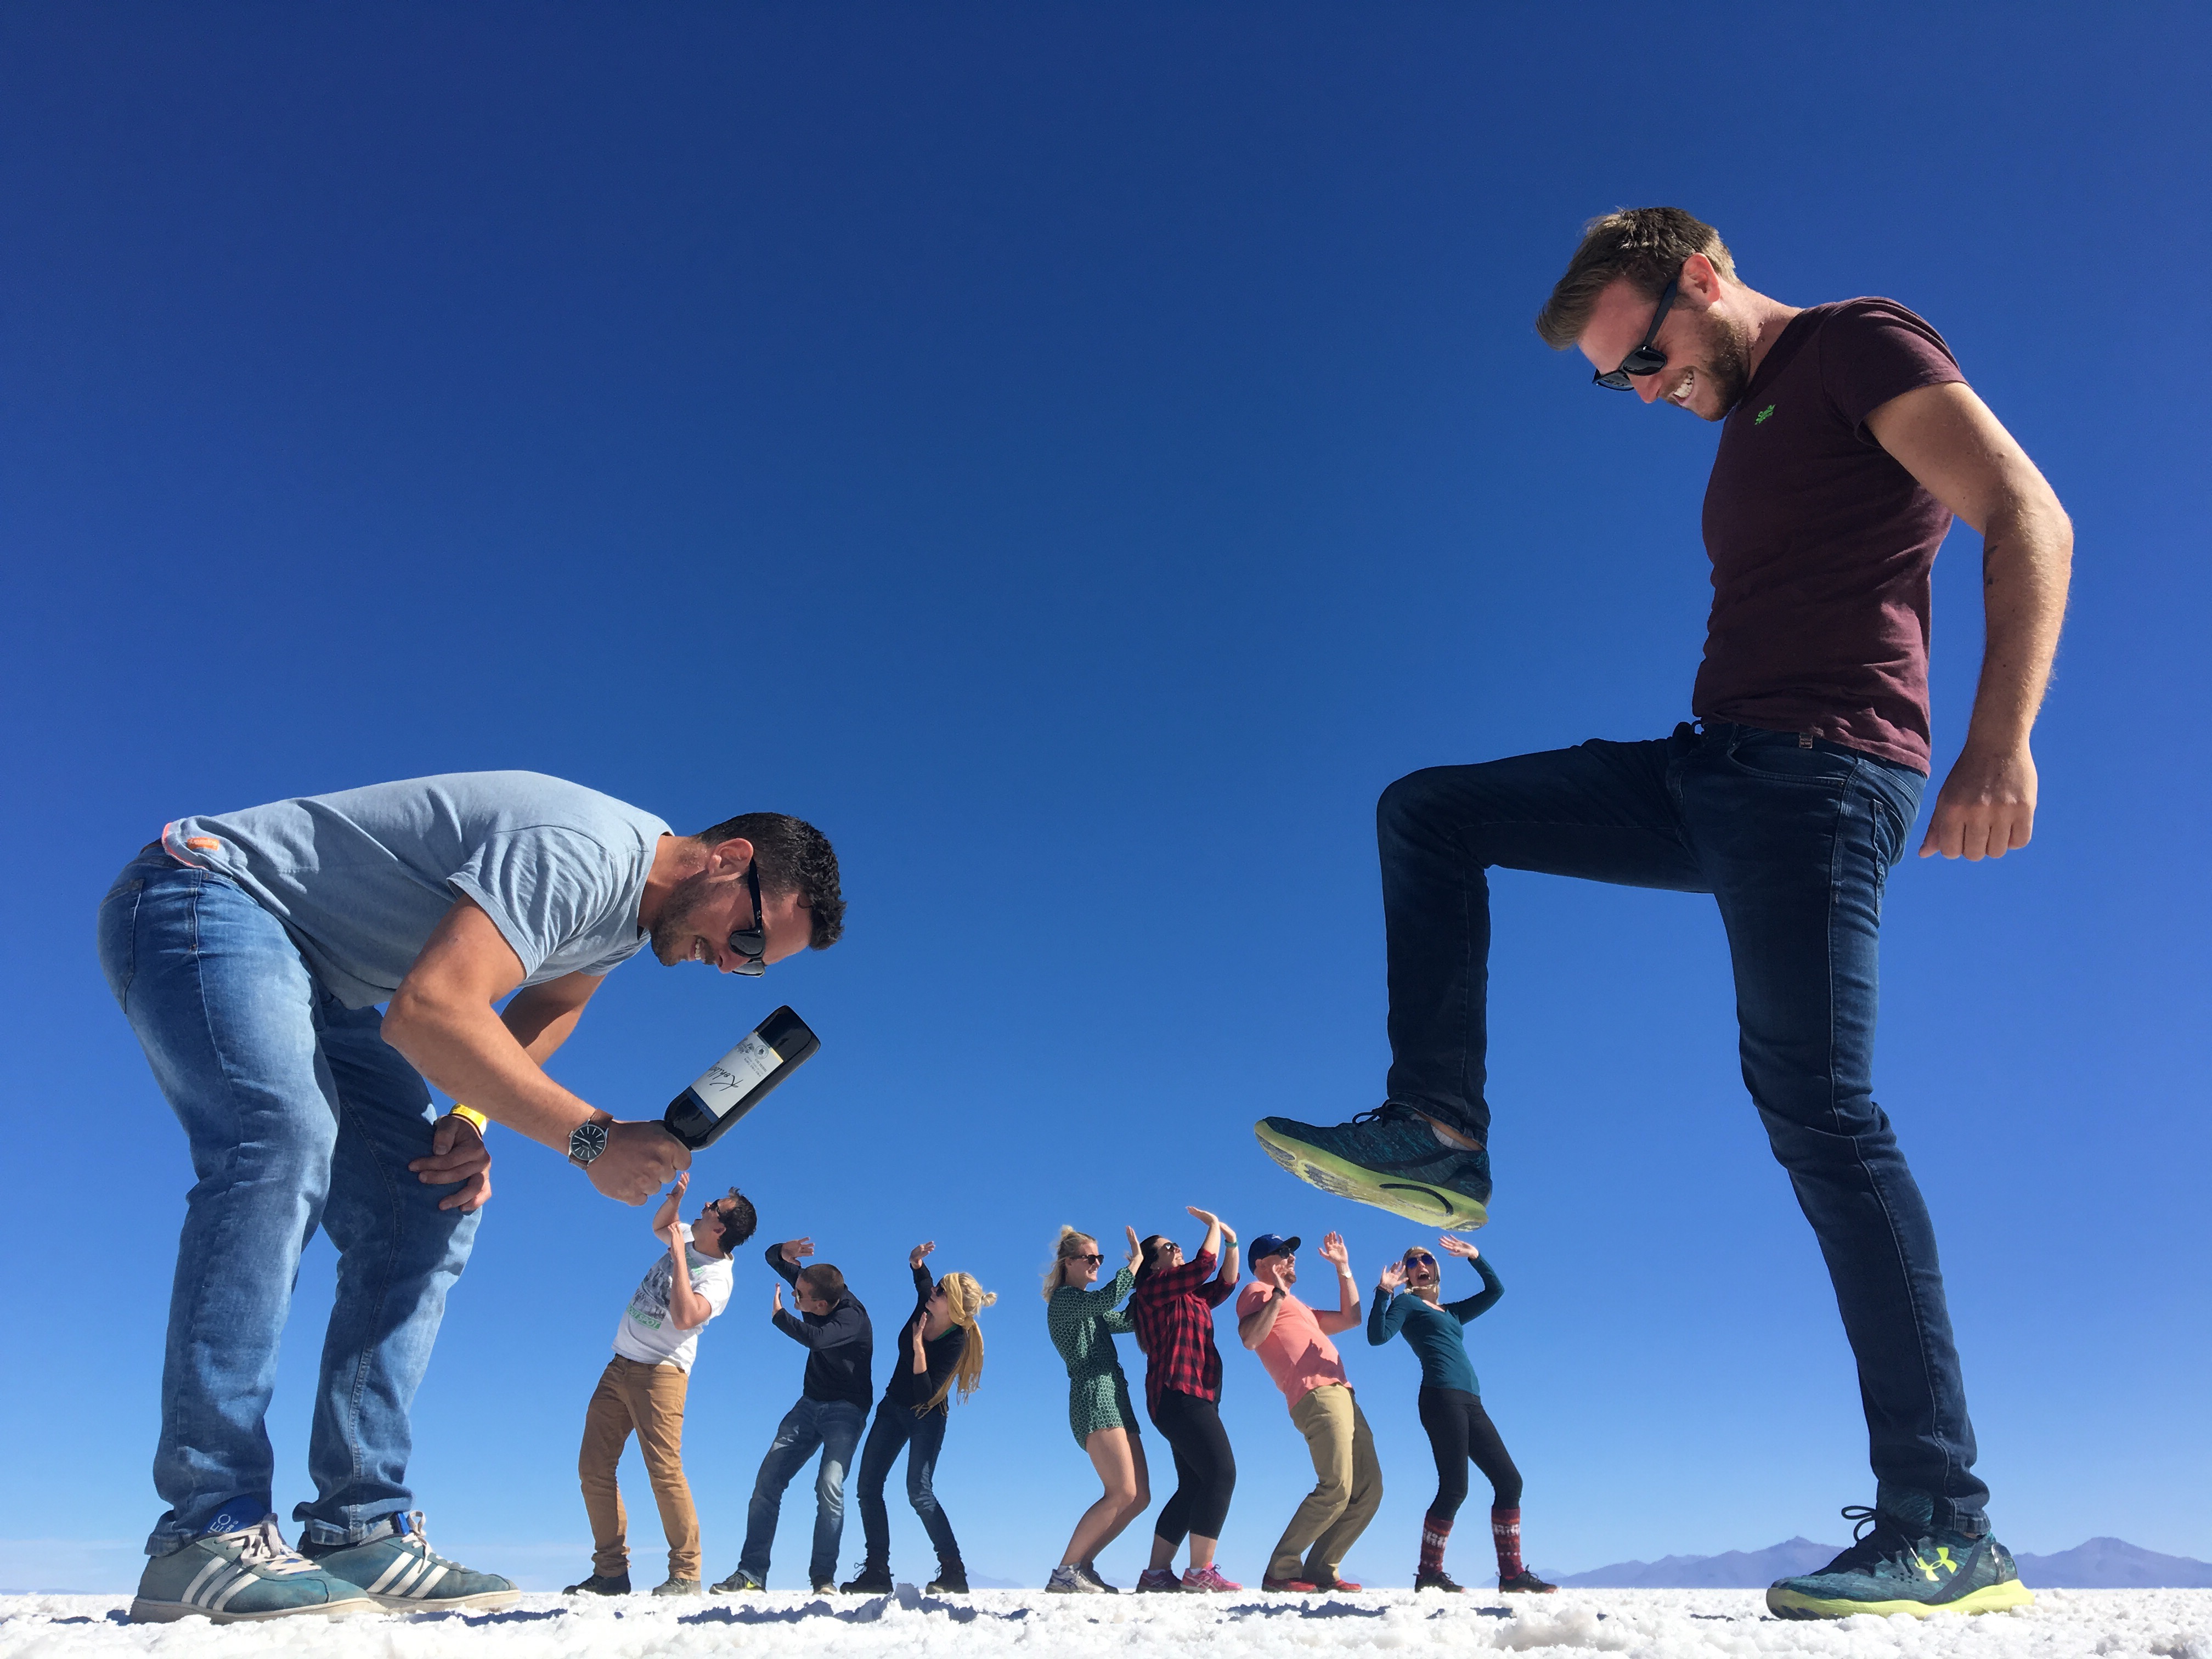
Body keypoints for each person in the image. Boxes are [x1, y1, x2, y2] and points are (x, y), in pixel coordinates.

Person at [1257, 207, 2068, 1621]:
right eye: (1615, 382)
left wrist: (2000, 742)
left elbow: (2026, 511)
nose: (1643, 393)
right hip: (1715, 771)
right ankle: (1440, 1133)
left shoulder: (1854, 345)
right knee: (1429, 811)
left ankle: (1947, 1520)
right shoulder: (1746, 422)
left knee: (1823, 1116)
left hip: (1823, 778)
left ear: (1702, 275)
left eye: (1646, 358)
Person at [95, 771, 843, 1624]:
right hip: (209, 896)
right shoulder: (586, 852)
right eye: (749, 939)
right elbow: (430, 1009)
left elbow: (549, 1004)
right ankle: (207, 1522)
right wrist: (592, 1140)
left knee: (430, 1199)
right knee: (280, 1141)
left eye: (756, 965)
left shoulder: (623, 926)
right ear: (729, 858)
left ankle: (358, 1525)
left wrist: (470, 1115)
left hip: (325, 986)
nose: (736, 965)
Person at [565, 1176, 756, 1598]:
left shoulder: (719, 1278)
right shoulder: (687, 1234)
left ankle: (686, 1574)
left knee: (665, 1473)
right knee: (593, 1468)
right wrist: (675, 1200)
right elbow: (660, 1225)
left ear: (719, 1228)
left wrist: (680, 1256)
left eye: (713, 1207)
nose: (704, 1206)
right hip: (620, 1365)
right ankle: (611, 1573)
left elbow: (686, 1317)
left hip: (662, 1374)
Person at [1368, 1237, 1551, 1595]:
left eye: (1426, 1259)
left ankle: (1512, 1575)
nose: (1420, 1265)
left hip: (1471, 1402)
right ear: (1407, 1275)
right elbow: (1378, 1336)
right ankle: (1429, 1573)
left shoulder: (1451, 1314)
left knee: (1510, 1482)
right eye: (1412, 1263)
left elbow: (1495, 1291)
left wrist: (1475, 1257)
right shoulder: (1406, 1304)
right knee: (1455, 1488)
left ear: (1436, 1269)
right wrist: (1383, 1292)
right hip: (1440, 1398)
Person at [839, 1242, 997, 1596]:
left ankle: (954, 1571)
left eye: (941, 1292)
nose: (934, 1291)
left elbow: (925, 1393)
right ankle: (877, 1571)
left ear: (953, 1308)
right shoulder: (927, 1302)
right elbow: (922, 1281)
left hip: (927, 1415)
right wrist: (916, 1263)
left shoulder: (956, 1341)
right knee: (868, 1487)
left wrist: (918, 1348)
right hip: (892, 1407)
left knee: (919, 1492)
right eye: (937, 1287)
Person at [716, 1239, 873, 1594]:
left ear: (821, 1305)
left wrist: (779, 1317)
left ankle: (823, 1579)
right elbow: (772, 1259)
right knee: (767, 1482)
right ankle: (751, 1574)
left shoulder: (852, 1318)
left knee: (829, 1486)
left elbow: (816, 1339)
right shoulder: (814, 1287)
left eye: (799, 1296)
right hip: (810, 1403)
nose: (794, 1295)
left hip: (846, 1410)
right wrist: (782, 1251)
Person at [1235, 1231, 1381, 1593]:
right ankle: (1281, 1570)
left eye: (1292, 1251)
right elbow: (1251, 1338)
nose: (1292, 1256)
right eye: (1283, 1251)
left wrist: (1343, 1268)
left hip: (1345, 1393)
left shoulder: (1299, 1308)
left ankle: (1321, 1569)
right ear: (1261, 1264)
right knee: (1336, 1487)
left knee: (1368, 1489)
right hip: (1316, 1394)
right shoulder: (1256, 1292)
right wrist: (1278, 1293)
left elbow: (1351, 1318)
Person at [1128, 1207, 1242, 1593]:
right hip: (1178, 1394)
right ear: (1153, 1264)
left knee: (1193, 1486)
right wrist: (1212, 1226)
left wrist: (1231, 1242)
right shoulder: (1152, 1289)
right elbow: (1204, 1265)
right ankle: (1199, 1571)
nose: (1177, 1249)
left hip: (1197, 1395)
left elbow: (1224, 1283)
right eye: (1169, 1247)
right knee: (1222, 1473)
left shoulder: (1190, 1297)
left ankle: (1156, 1574)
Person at [1042, 1224, 1149, 1594]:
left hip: (1117, 1395)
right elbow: (1106, 1301)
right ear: (1068, 1263)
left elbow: (1130, 1319)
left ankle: (1082, 1566)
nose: (1096, 1263)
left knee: (1139, 1497)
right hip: (1093, 1395)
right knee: (1120, 1491)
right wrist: (1134, 1264)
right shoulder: (1065, 1301)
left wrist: (1154, 1284)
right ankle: (1065, 1571)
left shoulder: (1090, 1308)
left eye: (1099, 1258)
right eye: (1089, 1258)